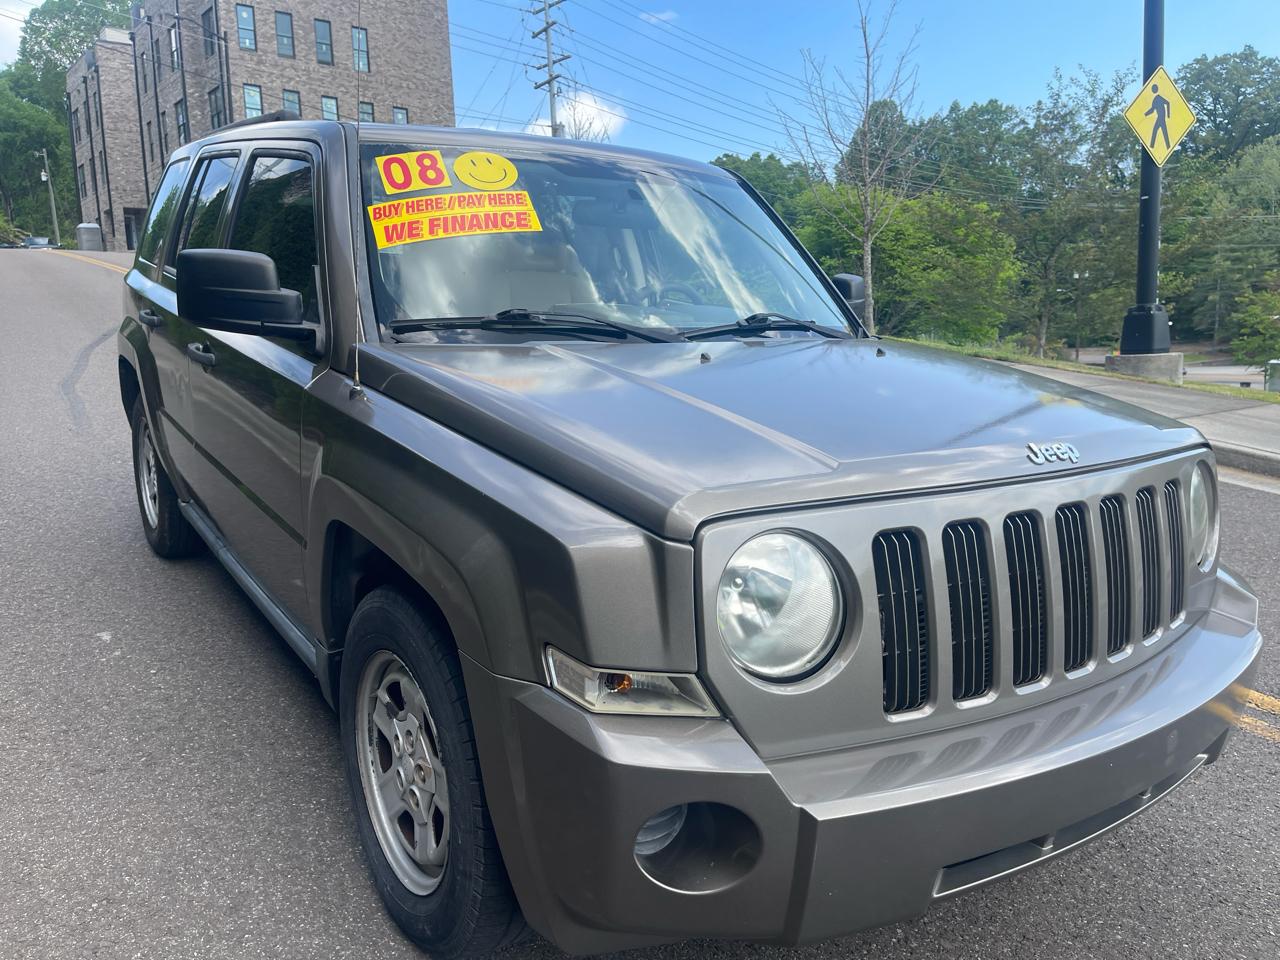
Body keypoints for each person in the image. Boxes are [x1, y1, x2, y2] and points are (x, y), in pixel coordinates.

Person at [1146, 83, 1171, 150]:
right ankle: (1167, 146)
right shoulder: (1155, 99)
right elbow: (1152, 110)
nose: (1153, 90)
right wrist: (1145, 114)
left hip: (1161, 118)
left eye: (1154, 89)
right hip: (1160, 118)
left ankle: (1152, 146)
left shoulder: (1159, 97)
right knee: (1163, 132)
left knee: (1157, 131)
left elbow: (1168, 103)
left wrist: (1168, 115)